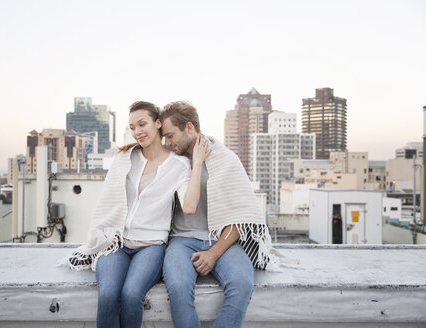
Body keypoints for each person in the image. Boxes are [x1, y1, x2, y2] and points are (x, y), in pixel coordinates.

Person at [62, 101, 210, 328]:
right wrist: (107, 231)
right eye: (132, 127)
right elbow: (108, 202)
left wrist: (197, 162)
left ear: (157, 123)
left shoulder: (179, 165)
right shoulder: (125, 158)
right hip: (116, 243)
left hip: (151, 246)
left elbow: (189, 206)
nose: (137, 132)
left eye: (142, 124)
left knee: (131, 295)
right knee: (108, 296)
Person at [159, 101, 278, 328]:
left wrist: (213, 254)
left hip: (221, 241)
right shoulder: (170, 163)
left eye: (171, 135)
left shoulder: (226, 159)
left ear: (189, 127)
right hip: (181, 241)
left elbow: (241, 217)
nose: (167, 143)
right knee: (178, 288)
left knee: (242, 284)